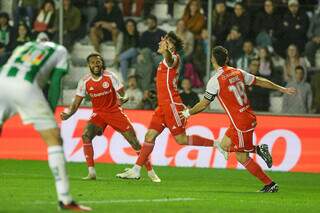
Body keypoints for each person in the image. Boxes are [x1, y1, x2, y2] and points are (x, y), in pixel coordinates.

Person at [180, 46, 296, 192]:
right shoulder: (238, 72)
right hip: (243, 119)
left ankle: (270, 183)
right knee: (223, 145)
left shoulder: (215, 81)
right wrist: (281, 88)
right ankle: (257, 150)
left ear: (212, 60)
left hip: (241, 123)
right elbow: (259, 80)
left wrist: (188, 113)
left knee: (242, 157)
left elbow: (204, 104)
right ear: (227, 59)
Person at [116, 32, 227, 180]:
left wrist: (167, 49)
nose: (159, 44)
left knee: (181, 140)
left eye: (164, 42)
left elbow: (169, 58)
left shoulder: (174, 58)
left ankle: (216, 144)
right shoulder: (163, 62)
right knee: (149, 136)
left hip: (172, 106)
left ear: (170, 46)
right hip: (162, 106)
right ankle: (136, 170)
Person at [0, 33, 91, 211]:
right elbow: (56, 80)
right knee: (54, 139)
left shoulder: (23, 47)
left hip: (2, 83)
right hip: (25, 87)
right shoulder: (59, 50)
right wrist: (51, 108)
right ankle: (65, 199)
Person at [60, 53, 160, 182]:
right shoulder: (84, 81)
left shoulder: (110, 77)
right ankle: (91, 172)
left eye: (98, 62)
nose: (96, 65)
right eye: (93, 62)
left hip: (114, 112)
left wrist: (121, 100)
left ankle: (151, 172)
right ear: (88, 65)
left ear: (102, 64)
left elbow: (123, 94)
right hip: (99, 113)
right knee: (86, 135)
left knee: (134, 142)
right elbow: (75, 103)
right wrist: (68, 114)